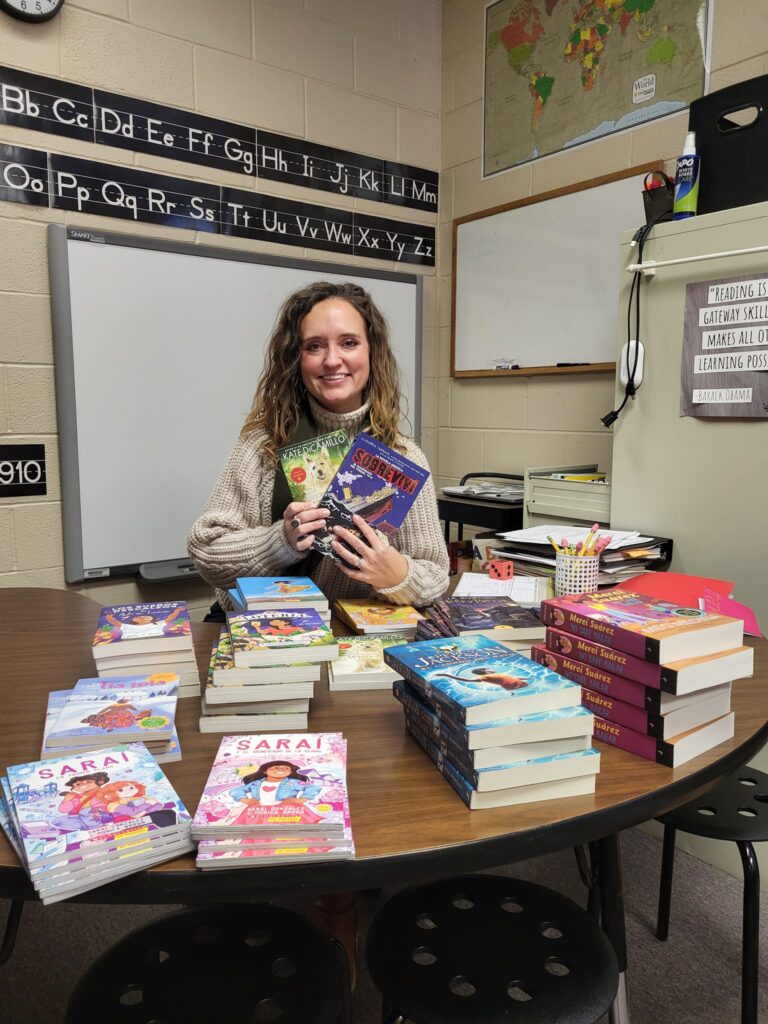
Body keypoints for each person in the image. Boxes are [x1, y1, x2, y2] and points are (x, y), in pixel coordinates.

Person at [187, 280, 449, 612]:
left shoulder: (402, 458)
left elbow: (435, 577)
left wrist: (396, 574)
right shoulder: (261, 445)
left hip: (353, 649)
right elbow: (207, 553)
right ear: (296, 358)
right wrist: (280, 542)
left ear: (372, 352)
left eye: (349, 343)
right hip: (262, 639)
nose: (331, 360)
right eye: (314, 346)